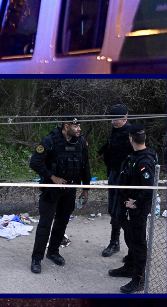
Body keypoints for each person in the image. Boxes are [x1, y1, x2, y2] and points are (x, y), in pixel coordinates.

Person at [29, 115, 91, 273]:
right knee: (45, 224)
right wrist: (52, 177)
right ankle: (37, 258)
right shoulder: (50, 141)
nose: (79, 129)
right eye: (75, 126)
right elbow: (35, 162)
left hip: (70, 189)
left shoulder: (81, 143)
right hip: (51, 190)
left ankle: (53, 251)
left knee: (62, 222)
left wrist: (86, 189)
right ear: (66, 126)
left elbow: (85, 167)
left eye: (79, 126)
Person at [108, 123, 157, 293]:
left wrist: (136, 204)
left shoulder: (144, 160)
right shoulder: (136, 155)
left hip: (137, 209)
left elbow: (149, 189)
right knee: (130, 238)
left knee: (137, 243)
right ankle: (129, 266)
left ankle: (139, 279)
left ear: (131, 138)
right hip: (127, 206)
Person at [97, 103, 132, 257]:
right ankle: (114, 243)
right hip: (114, 174)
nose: (112, 122)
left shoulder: (132, 134)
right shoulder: (115, 131)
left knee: (124, 212)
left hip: (127, 178)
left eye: (115, 119)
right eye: (111, 119)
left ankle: (133, 250)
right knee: (113, 209)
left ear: (125, 118)